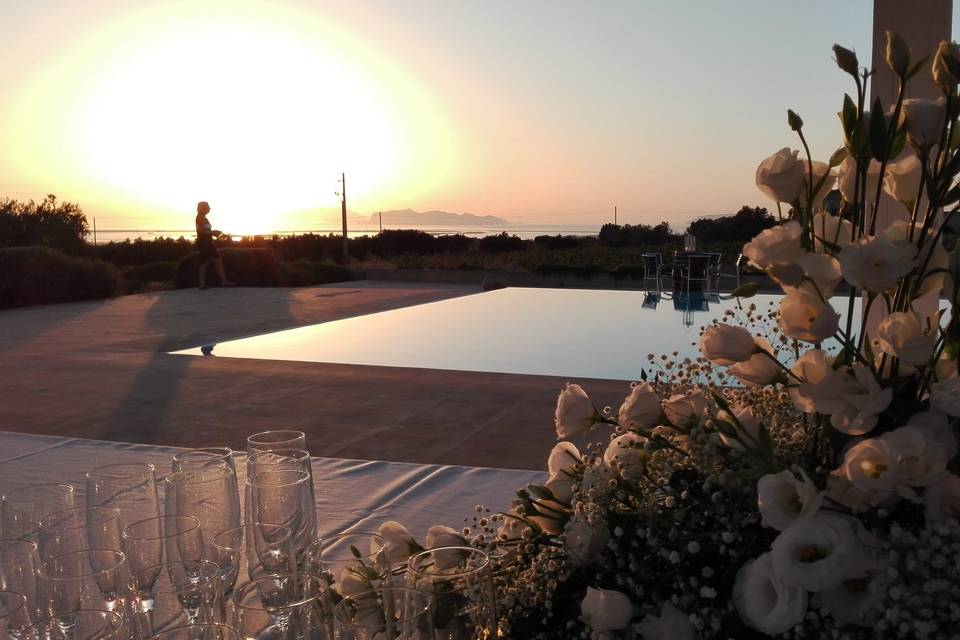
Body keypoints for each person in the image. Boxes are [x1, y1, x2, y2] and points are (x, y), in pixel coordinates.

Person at [195, 201, 236, 289]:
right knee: (206, 262)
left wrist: (213, 233)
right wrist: (213, 232)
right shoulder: (200, 218)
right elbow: (200, 231)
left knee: (213, 260)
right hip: (204, 243)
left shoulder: (203, 218)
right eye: (208, 207)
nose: (209, 208)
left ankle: (221, 281)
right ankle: (204, 284)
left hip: (207, 242)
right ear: (203, 208)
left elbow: (204, 231)